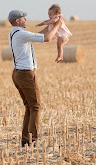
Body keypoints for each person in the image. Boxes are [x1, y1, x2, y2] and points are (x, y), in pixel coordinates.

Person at [8, 10, 63, 147]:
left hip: (17, 73)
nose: (25, 20)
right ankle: (32, 140)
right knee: (36, 107)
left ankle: (26, 139)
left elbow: (39, 35)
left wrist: (51, 25)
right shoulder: (21, 33)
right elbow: (47, 38)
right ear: (17, 21)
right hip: (26, 74)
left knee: (29, 107)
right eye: (23, 18)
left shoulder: (15, 33)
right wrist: (58, 25)